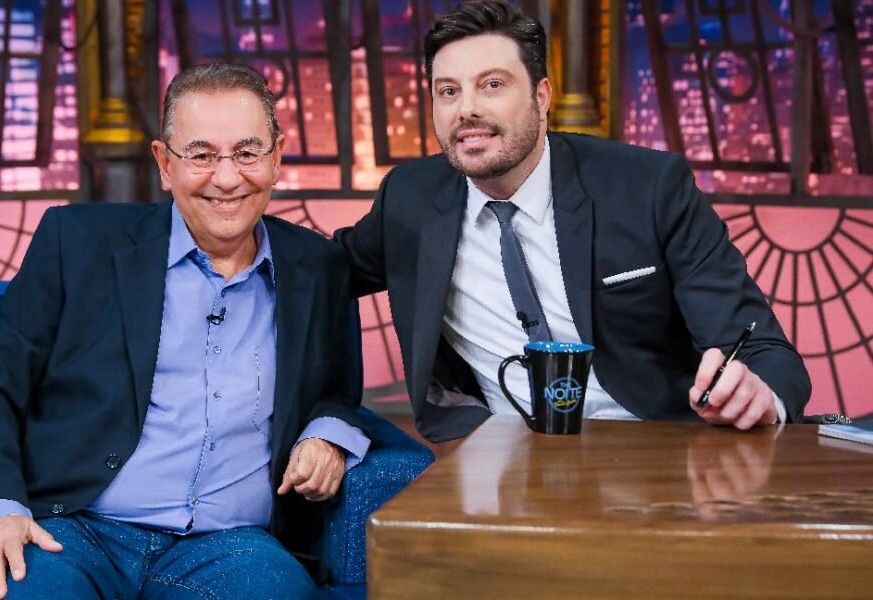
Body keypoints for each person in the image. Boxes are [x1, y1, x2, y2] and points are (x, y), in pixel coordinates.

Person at [0, 63, 369, 600]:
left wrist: (328, 433)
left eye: (247, 153)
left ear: (276, 158)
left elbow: (334, 390)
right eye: (201, 155)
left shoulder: (317, 266)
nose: (227, 178)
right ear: (164, 163)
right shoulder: (77, 243)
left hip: (231, 545)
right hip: (72, 526)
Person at [334, 0, 810, 443]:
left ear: (541, 96)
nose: (467, 109)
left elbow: (763, 351)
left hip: (654, 448)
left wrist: (758, 394)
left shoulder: (647, 187)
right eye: (448, 91)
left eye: (492, 85)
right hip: (496, 453)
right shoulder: (411, 198)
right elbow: (319, 267)